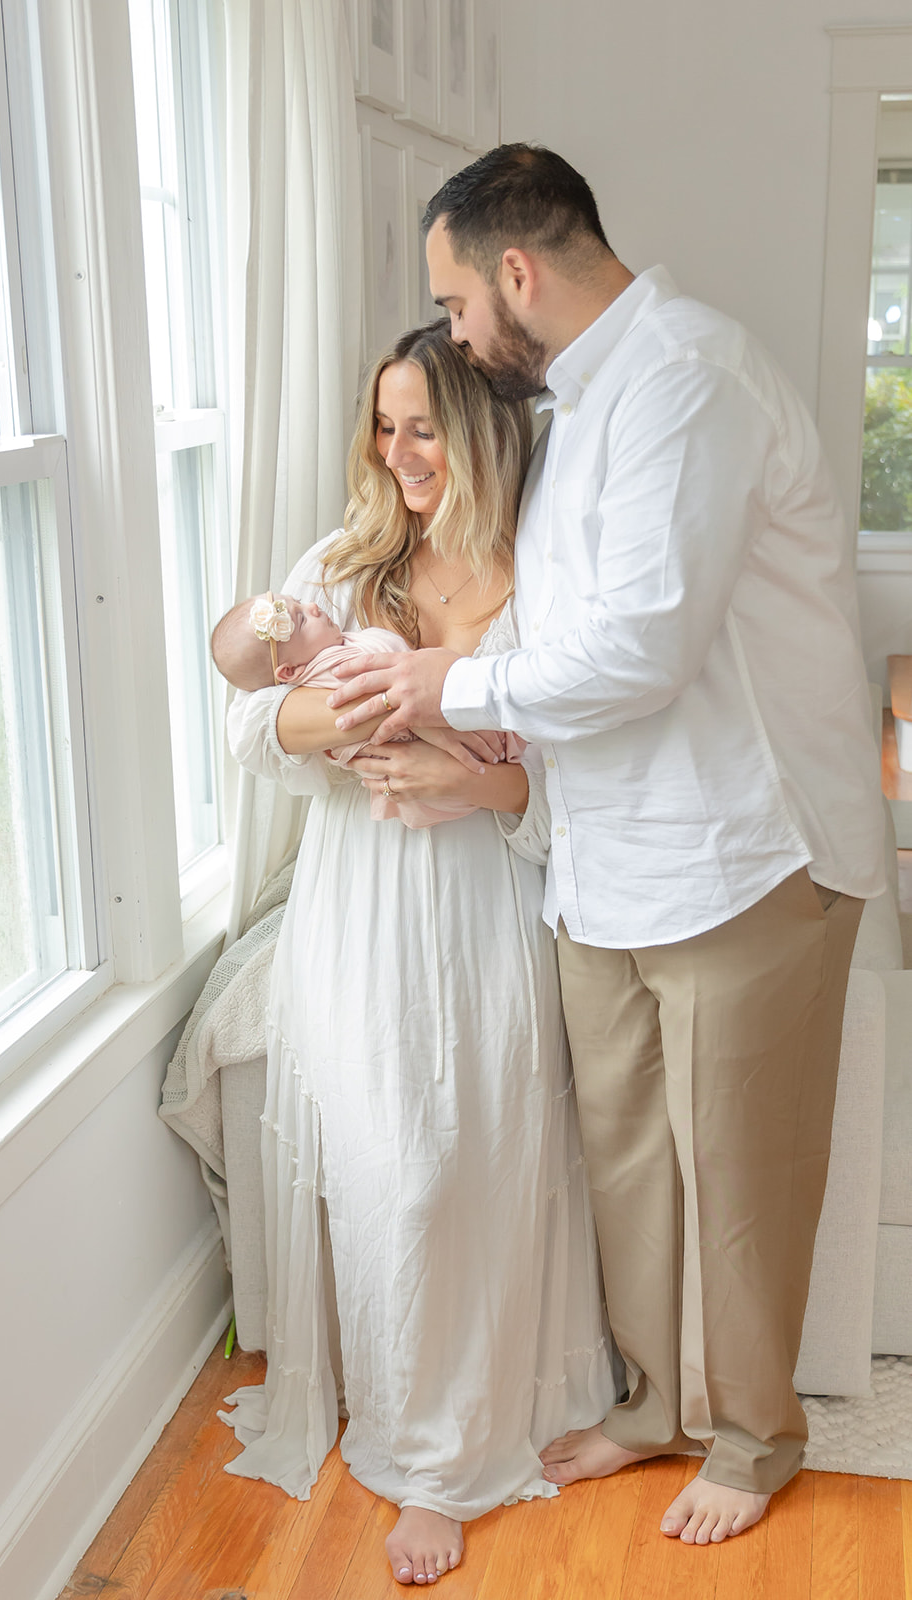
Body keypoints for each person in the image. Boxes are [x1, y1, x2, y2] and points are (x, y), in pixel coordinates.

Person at [328, 144, 887, 1547]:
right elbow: (559, 637)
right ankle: (650, 1405)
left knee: (741, 1174)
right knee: (628, 1156)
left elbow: (636, 650)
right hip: (605, 857)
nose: (455, 334)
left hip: (745, 854)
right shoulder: (573, 404)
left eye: (455, 302)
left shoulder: (688, 381)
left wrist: (439, 689)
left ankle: (754, 1438)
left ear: (515, 274)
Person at [219, 321, 619, 1585]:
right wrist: (330, 717)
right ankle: (419, 1459)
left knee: (489, 1160)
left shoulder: (548, 575)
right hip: (360, 907)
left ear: (486, 431)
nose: (396, 454)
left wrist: (474, 785)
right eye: (382, 425)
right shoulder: (343, 565)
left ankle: (488, 1414)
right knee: (402, 1172)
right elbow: (243, 726)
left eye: (423, 427)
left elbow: (590, 781)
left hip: (488, 905)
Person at [210, 588, 522, 827]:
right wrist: (419, 718)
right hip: (414, 778)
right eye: (302, 618)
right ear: (288, 673)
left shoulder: (330, 650)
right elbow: (252, 724)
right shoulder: (330, 671)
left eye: (301, 602)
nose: (314, 606)